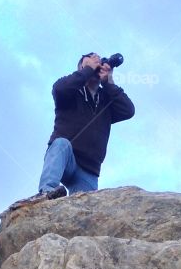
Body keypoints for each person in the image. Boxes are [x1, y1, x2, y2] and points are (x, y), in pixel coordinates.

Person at [34, 52, 135, 197]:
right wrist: (87, 70)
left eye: (99, 60)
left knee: (84, 213)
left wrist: (109, 83)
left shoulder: (106, 99)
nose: (97, 61)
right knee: (61, 143)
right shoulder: (70, 91)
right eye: (91, 58)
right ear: (81, 67)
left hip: (89, 170)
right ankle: (47, 193)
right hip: (66, 156)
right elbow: (59, 89)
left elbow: (128, 110)